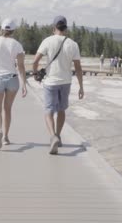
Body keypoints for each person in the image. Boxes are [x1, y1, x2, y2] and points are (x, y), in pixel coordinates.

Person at [33, 15, 84, 155]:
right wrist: (81, 87)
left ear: (53, 28)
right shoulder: (73, 44)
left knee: (48, 111)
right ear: (66, 28)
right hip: (66, 82)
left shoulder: (47, 41)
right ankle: (58, 135)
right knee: (61, 110)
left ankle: (53, 136)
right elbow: (78, 68)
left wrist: (36, 74)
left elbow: (35, 60)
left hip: (50, 82)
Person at [0, 18, 27, 149]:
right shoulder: (17, 44)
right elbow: (21, 66)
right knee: (7, 108)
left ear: (2, 29)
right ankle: (5, 138)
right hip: (12, 79)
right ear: (13, 31)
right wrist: (24, 84)